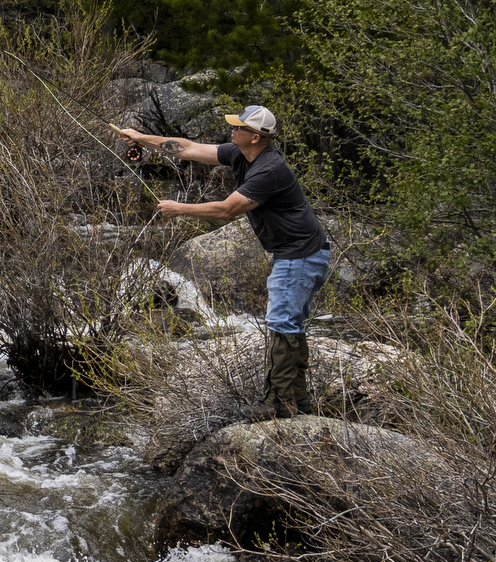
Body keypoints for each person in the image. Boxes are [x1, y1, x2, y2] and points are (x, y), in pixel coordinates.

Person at [112, 103, 331, 417]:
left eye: (239, 127)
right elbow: (187, 148)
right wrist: (140, 138)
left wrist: (179, 209)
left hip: (300, 256)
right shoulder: (239, 153)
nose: (232, 129)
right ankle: (299, 404)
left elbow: (227, 209)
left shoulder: (269, 170)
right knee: (289, 326)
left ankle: (278, 406)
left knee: (283, 325)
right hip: (298, 254)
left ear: (256, 137)